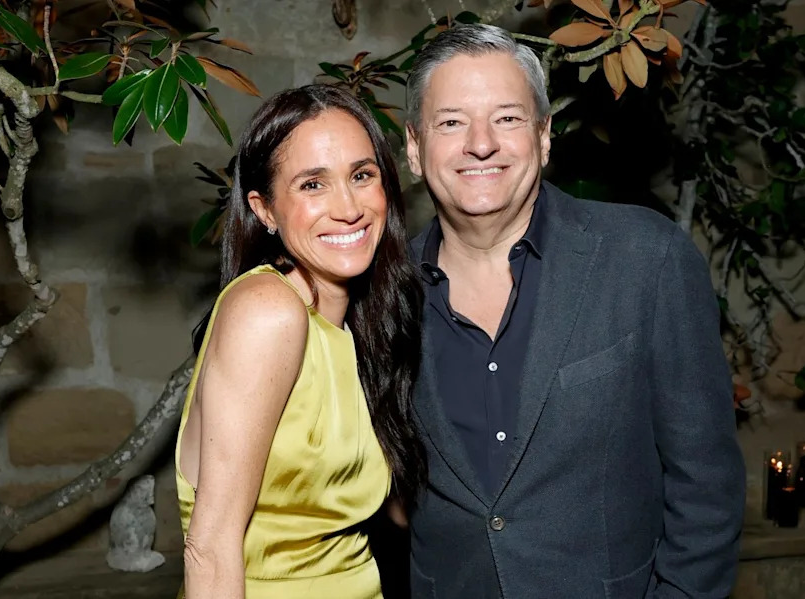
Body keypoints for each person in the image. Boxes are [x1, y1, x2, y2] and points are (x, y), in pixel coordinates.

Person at [403, 24, 746, 598]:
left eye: (508, 118)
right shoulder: (382, 294)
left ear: (543, 136)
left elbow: (706, 486)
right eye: (451, 121)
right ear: (415, 148)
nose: (480, 142)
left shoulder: (647, 259)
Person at [174, 84, 426, 599]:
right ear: (264, 210)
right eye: (313, 185)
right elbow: (211, 543)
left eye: (362, 175)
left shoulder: (356, 325)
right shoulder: (268, 312)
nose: (349, 207)